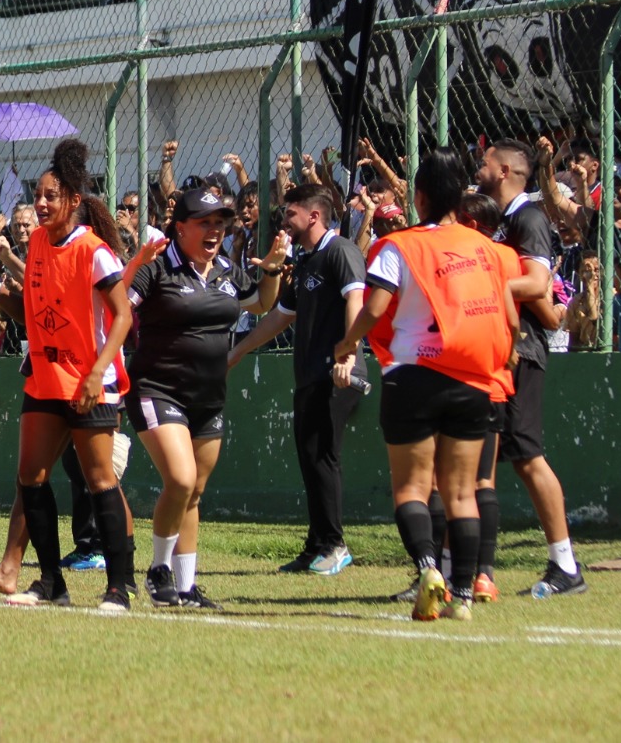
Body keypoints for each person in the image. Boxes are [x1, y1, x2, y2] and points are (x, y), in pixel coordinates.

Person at [332, 148, 518, 621]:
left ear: (418, 196)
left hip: (412, 375)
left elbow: (375, 307)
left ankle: (429, 569)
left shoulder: (403, 245)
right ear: (464, 194)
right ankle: (464, 594)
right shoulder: (488, 250)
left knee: (412, 488)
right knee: (462, 492)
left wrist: (348, 344)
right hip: (473, 378)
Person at [5, 139, 137, 612]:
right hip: (45, 377)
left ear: (74, 202)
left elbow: (122, 317)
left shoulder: (96, 252)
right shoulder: (37, 241)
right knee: (31, 477)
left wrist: (97, 372)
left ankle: (119, 587)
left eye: (50, 197)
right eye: (37, 195)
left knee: (100, 480)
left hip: (89, 382)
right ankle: (50, 582)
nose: (40, 204)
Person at [124, 187, 271, 608]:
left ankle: (186, 587)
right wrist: (134, 264)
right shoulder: (157, 266)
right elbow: (119, 306)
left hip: (209, 397)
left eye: (220, 224)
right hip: (158, 389)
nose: (215, 231)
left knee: (194, 492)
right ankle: (157, 570)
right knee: (181, 479)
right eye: (205, 223)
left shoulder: (226, 268)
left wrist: (274, 271)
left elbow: (261, 303)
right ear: (180, 227)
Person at [227, 184, 367, 577]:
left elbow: (356, 300)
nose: (283, 221)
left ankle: (335, 546)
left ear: (314, 216)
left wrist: (349, 354)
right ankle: (316, 544)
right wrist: (238, 351)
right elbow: (279, 316)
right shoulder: (305, 261)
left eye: (290, 213)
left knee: (323, 457)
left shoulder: (340, 252)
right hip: (309, 376)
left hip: (337, 372)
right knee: (310, 458)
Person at [476, 139, 585, 596]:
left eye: (484, 163)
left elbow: (539, 283)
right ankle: (475, 570)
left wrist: (484, 284)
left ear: (504, 170)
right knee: (481, 463)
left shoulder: (530, 218)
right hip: (492, 352)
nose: (477, 168)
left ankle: (565, 565)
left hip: (523, 353)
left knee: (527, 457)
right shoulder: (492, 219)